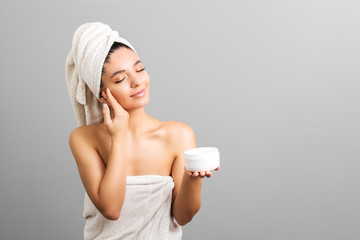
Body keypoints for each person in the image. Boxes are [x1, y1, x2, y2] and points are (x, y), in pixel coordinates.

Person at [65, 22, 220, 240]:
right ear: (102, 94)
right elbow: (111, 209)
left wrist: (194, 179)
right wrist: (118, 138)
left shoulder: (178, 135)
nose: (138, 82)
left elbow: (183, 216)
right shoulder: (84, 138)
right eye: (120, 79)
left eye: (139, 69)